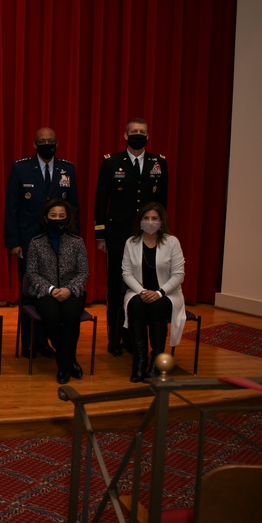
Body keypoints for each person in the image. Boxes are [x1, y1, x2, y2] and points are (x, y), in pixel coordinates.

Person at [94, 117, 169, 357]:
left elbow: (162, 203)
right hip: (118, 236)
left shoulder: (159, 163)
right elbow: (100, 202)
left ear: (148, 135)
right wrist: (101, 235)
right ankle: (115, 339)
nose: (139, 134)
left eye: (143, 131)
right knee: (117, 289)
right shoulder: (111, 162)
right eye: (134, 131)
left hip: (147, 237)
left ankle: (136, 339)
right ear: (125, 136)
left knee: (144, 287)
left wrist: (160, 232)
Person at [4, 127, 80, 357]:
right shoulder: (21, 168)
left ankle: (49, 340)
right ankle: (30, 343)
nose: (47, 144)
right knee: (30, 293)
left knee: (55, 293)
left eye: (51, 141)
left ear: (57, 143)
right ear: (34, 145)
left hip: (60, 243)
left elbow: (74, 207)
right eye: (42, 141)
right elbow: (12, 208)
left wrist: (75, 241)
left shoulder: (67, 168)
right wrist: (13, 242)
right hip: (28, 242)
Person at [24, 199, 89, 384]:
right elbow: (32, 273)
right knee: (51, 316)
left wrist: (69, 289)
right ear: (46, 217)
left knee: (70, 316)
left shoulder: (77, 242)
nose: (57, 219)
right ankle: (68, 361)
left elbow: (83, 272)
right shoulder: (36, 243)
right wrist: (51, 289)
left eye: (61, 216)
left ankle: (64, 364)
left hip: (73, 291)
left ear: (68, 218)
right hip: (45, 292)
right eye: (53, 215)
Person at [122, 202, 186, 382]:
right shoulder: (131, 242)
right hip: (138, 292)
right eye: (146, 218)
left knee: (157, 307)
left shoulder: (172, 242)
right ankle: (140, 360)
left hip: (167, 293)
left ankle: (156, 360)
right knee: (135, 305)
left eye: (154, 219)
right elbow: (126, 273)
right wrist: (142, 291)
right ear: (140, 221)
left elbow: (179, 275)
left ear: (161, 221)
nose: (150, 222)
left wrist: (159, 292)